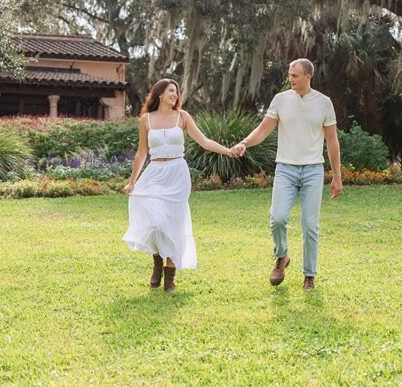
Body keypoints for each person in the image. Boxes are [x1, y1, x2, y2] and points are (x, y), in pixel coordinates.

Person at [231, 59, 341, 291]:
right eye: (290, 75)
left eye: (295, 75)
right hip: (285, 169)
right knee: (278, 218)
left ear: (308, 76)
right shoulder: (280, 100)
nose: (290, 79)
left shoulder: (324, 103)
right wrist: (244, 143)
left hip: (312, 171)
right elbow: (263, 130)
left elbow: (332, 140)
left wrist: (337, 176)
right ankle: (281, 257)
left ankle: (309, 275)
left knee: (310, 225)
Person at [122, 78, 234, 292]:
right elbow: (142, 152)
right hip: (154, 172)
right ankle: (157, 261)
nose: (175, 94)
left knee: (173, 224)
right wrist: (132, 181)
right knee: (155, 222)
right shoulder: (146, 119)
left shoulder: (183, 117)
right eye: (170, 91)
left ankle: (170, 278)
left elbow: (204, 141)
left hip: (177, 174)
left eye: (176, 91)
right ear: (160, 94)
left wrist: (227, 151)